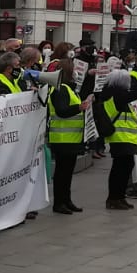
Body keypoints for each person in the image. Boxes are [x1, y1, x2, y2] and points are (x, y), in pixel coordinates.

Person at [94, 68, 137, 210]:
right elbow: (136, 93)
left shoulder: (112, 94)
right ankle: (114, 198)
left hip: (123, 137)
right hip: (120, 136)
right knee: (120, 168)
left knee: (123, 167)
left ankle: (119, 197)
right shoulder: (116, 94)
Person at [48, 65, 90, 214]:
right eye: (73, 71)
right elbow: (61, 111)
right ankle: (59, 203)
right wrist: (79, 108)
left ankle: (66, 200)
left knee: (67, 172)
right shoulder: (61, 89)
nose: (76, 74)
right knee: (62, 173)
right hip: (62, 138)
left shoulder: (70, 89)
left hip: (71, 138)